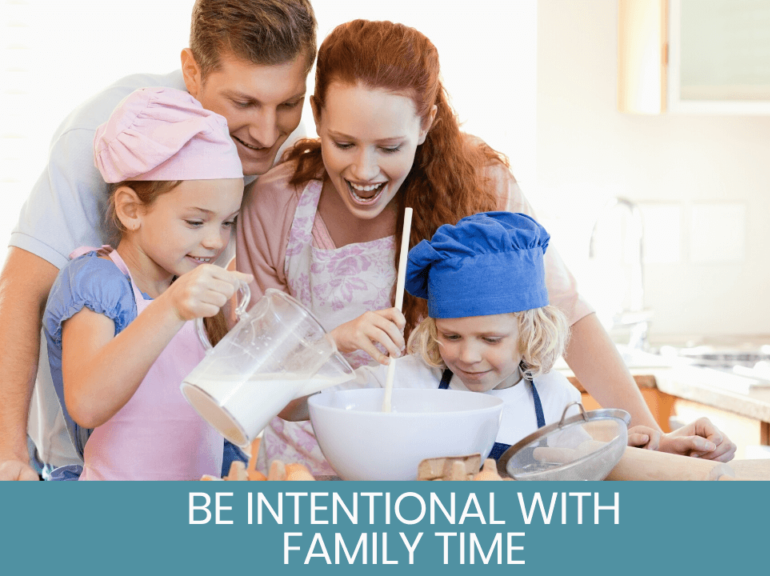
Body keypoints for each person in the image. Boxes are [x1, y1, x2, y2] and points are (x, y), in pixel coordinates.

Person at [236, 19, 736, 474]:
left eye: (390, 148)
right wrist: (336, 342)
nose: (364, 171)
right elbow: (266, 381)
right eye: (343, 143)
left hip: (455, 479)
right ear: (316, 114)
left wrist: (654, 438)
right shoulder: (275, 204)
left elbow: (564, 313)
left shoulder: (480, 185)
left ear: (426, 123)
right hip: (310, 477)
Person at [0, 0, 317, 480]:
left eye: (288, 103)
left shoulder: (281, 135)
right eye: (243, 103)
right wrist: (2, 452)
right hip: (90, 461)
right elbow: (19, 293)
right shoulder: (103, 136)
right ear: (192, 72)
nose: (266, 132)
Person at [43, 88, 248, 480]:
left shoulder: (193, 291)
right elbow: (85, 402)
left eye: (227, 222)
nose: (215, 241)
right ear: (131, 210)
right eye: (195, 221)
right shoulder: (98, 281)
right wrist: (171, 308)